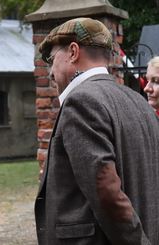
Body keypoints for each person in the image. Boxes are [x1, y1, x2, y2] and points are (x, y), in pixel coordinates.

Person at [35, 17, 159, 245]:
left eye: (52, 60)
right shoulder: (140, 103)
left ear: (73, 52)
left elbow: (107, 194)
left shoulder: (80, 102)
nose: (51, 72)